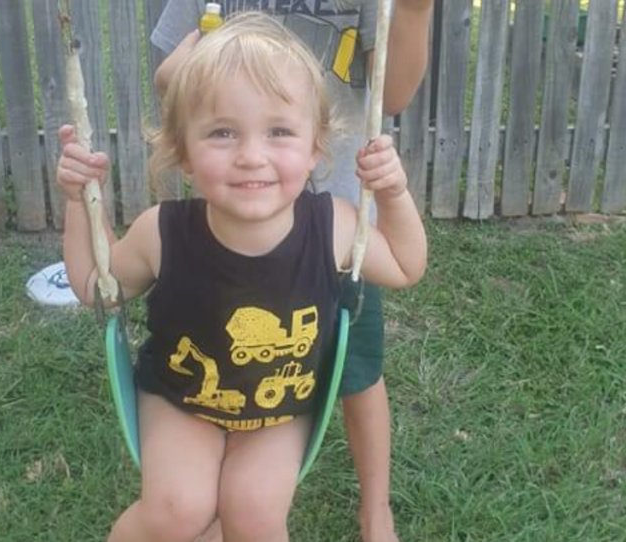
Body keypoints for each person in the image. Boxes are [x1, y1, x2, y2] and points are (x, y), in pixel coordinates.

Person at [57, 13, 427, 542]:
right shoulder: (161, 233)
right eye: (223, 133)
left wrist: (392, 193)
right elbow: (96, 285)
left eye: (279, 131)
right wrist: (78, 203)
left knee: (253, 515)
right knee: (177, 511)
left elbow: (408, 266)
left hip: (279, 406)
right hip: (184, 400)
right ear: (183, 152)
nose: (252, 156)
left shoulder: (335, 228)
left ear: (315, 146)